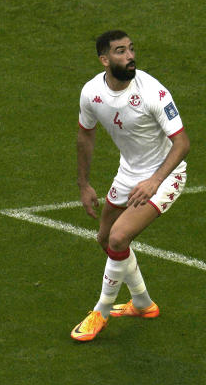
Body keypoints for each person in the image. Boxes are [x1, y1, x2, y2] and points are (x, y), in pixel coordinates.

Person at [71, 30, 190, 342]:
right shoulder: (91, 93)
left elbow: (182, 143)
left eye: (131, 50)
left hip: (165, 174)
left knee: (119, 237)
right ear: (104, 60)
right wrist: (84, 184)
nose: (130, 56)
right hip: (129, 173)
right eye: (121, 51)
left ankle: (101, 312)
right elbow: (85, 134)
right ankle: (142, 303)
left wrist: (155, 181)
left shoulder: (153, 93)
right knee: (104, 238)